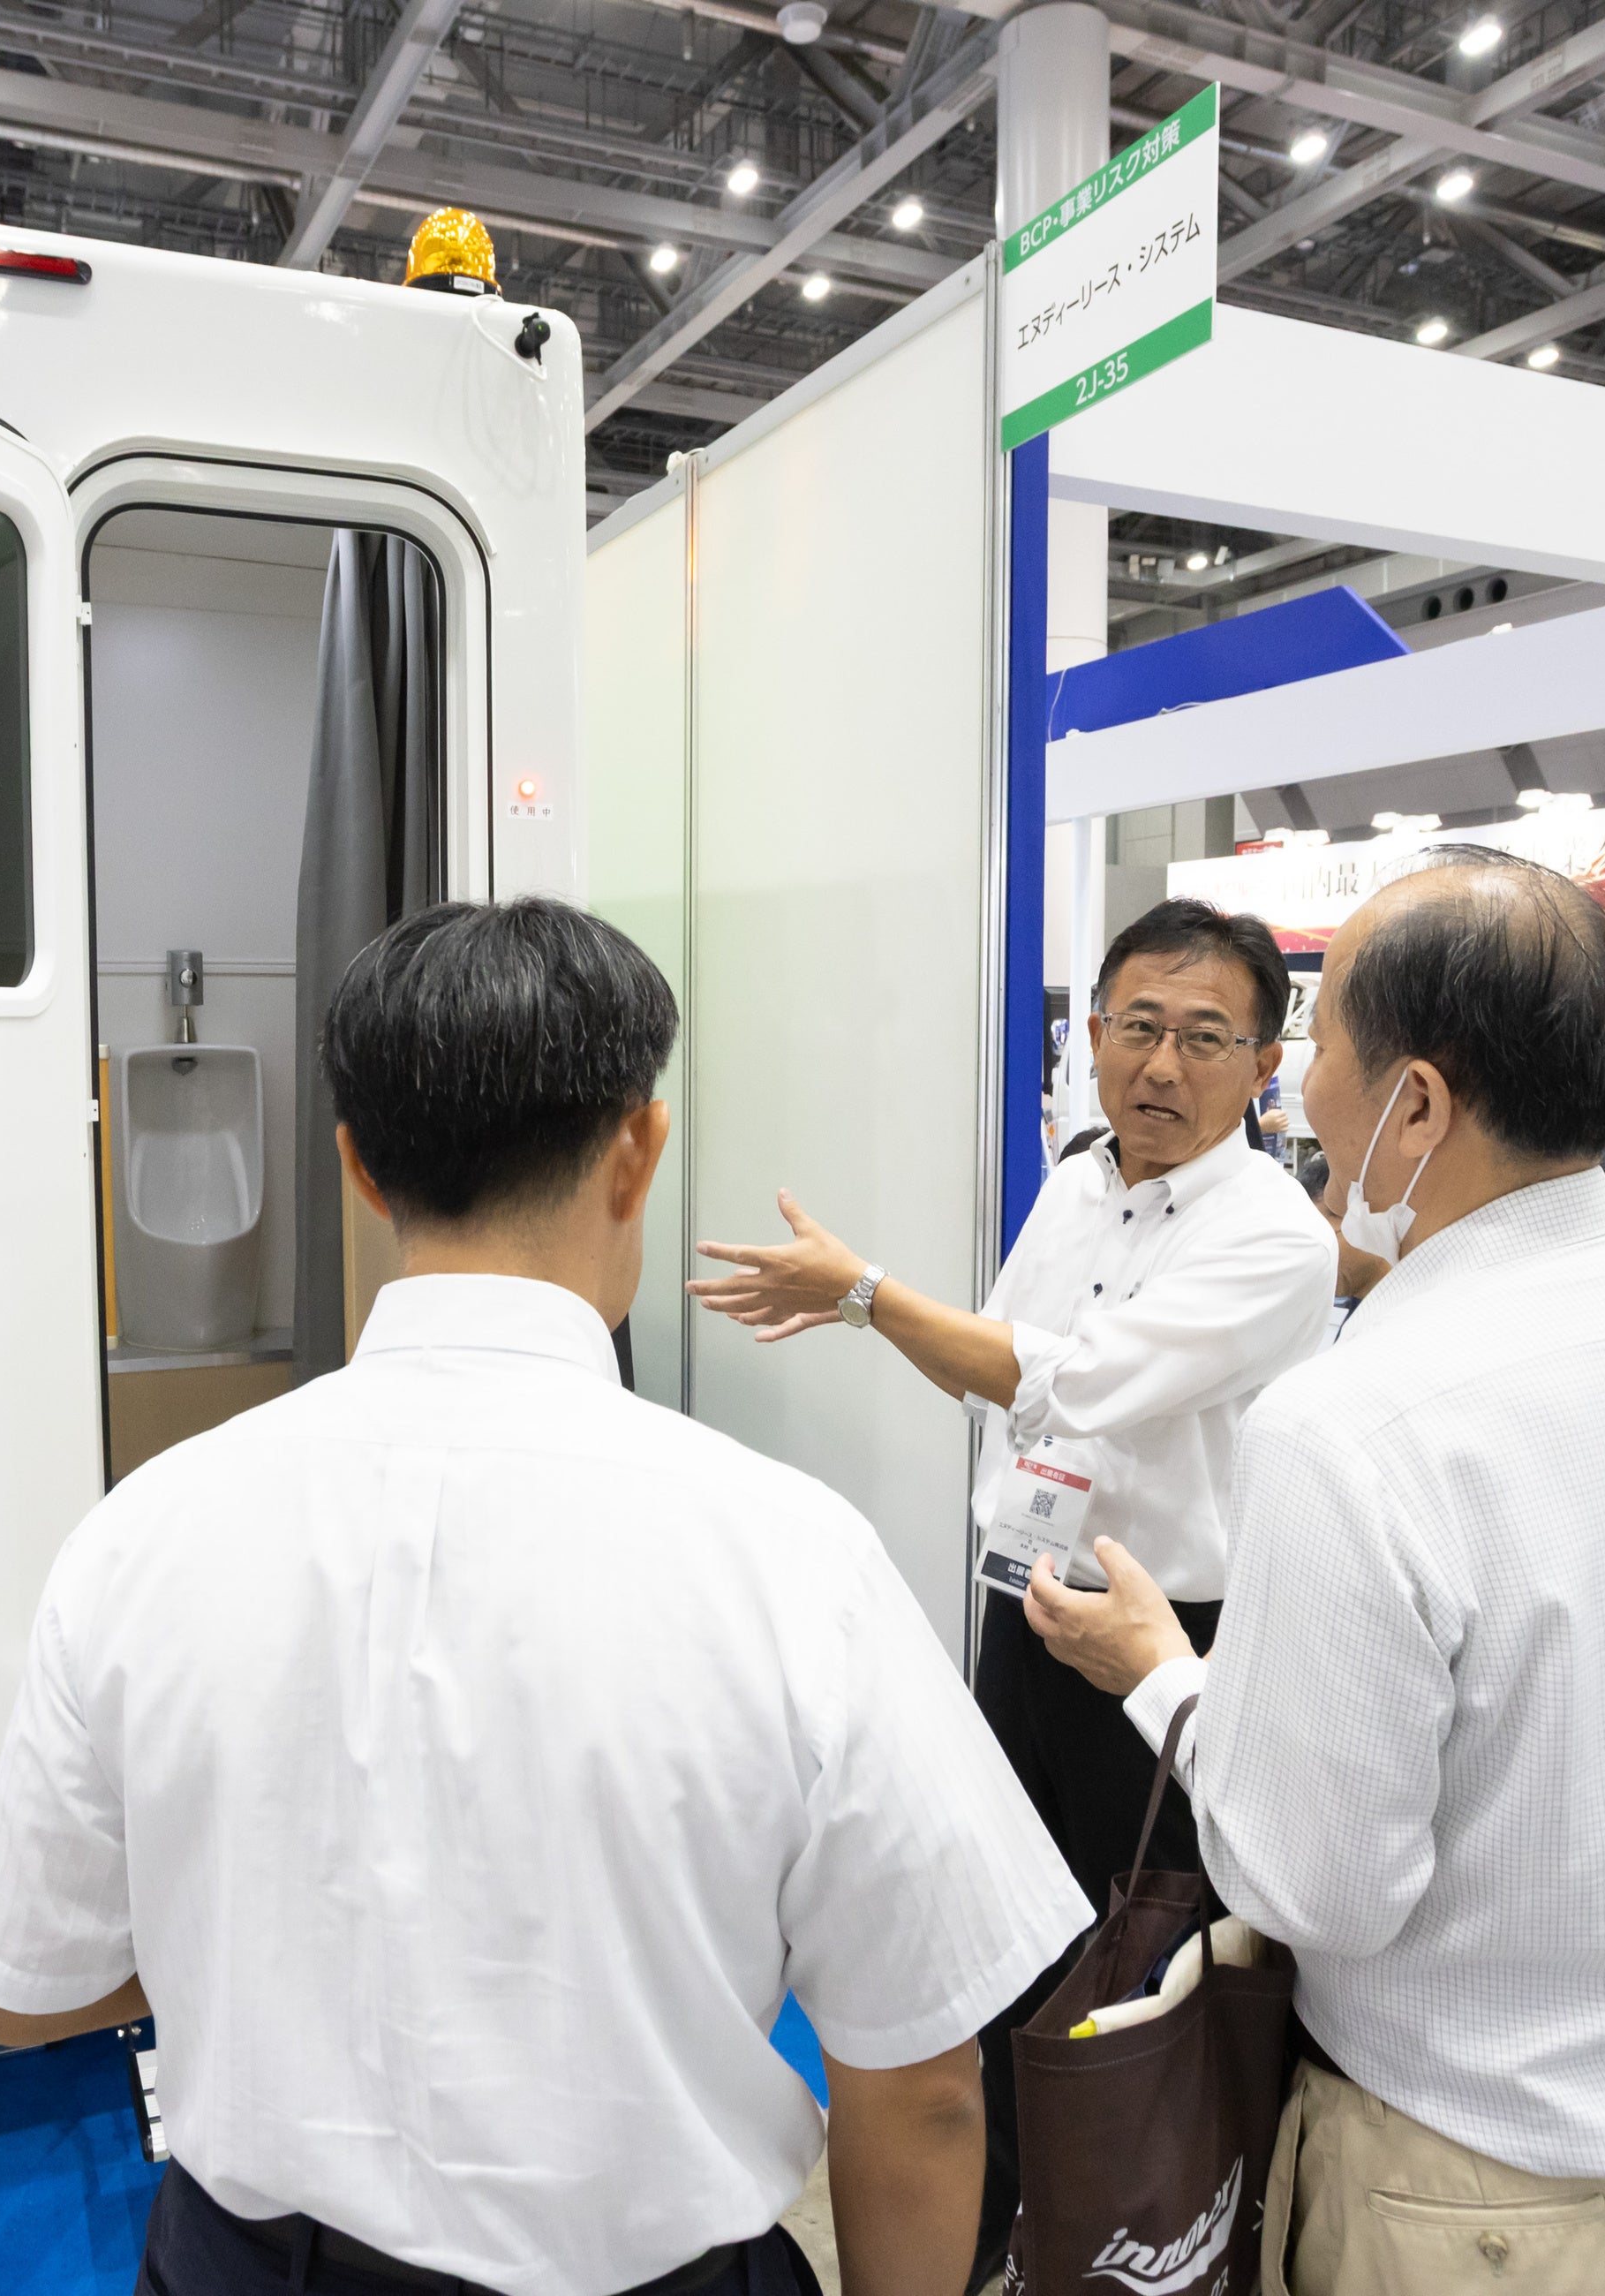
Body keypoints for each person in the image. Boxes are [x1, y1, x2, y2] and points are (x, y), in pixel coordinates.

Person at [0, 897, 1088, 2296]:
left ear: (357, 1166)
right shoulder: (796, 1559)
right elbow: (922, 2083)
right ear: (640, 1149)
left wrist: (262, 1939)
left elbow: (25, 1992)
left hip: (244, 2269)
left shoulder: (144, 1533)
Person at [1029, 850, 1605, 2296]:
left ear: (1421, 1105)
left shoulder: (1354, 1426)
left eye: (1319, 1046)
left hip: (1475, 2187)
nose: (1297, 1094)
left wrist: (1165, 1679)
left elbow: (1319, 1886)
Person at [686, 895, 1339, 2284]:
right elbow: (999, 1370)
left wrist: (865, 1294)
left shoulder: (1275, 1237)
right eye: (1138, 1026)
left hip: (1167, 1640)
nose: (1160, 1065)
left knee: (1142, 1966)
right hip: (1025, 1609)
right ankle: (999, 2228)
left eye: (1205, 1037)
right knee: (996, 1934)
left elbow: (1073, 1384)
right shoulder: (1078, 1179)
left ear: (1263, 1064)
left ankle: (1137, 2234)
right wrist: (883, 1316)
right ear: (1091, 1034)